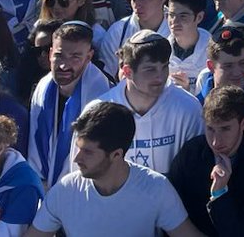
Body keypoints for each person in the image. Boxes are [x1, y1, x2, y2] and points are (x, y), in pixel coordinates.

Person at [26, 101, 202, 237]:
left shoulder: (157, 189)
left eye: (88, 152)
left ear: (116, 155)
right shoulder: (64, 191)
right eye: (78, 148)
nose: (77, 158)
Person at [167, 85, 244, 237]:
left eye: (225, 129)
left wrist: (220, 195)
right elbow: (170, 213)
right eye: (210, 129)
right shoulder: (191, 154)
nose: (215, 142)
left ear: (243, 123)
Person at [86, 30, 204, 174]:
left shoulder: (189, 108)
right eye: (150, 69)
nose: (160, 78)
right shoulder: (98, 113)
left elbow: (198, 171)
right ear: (128, 71)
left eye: (164, 67)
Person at [27, 21, 109, 189]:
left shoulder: (104, 97)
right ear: (50, 54)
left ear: (89, 57)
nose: (64, 65)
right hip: (43, 187)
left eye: (75, 57)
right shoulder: (42, 88)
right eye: (59, 55)